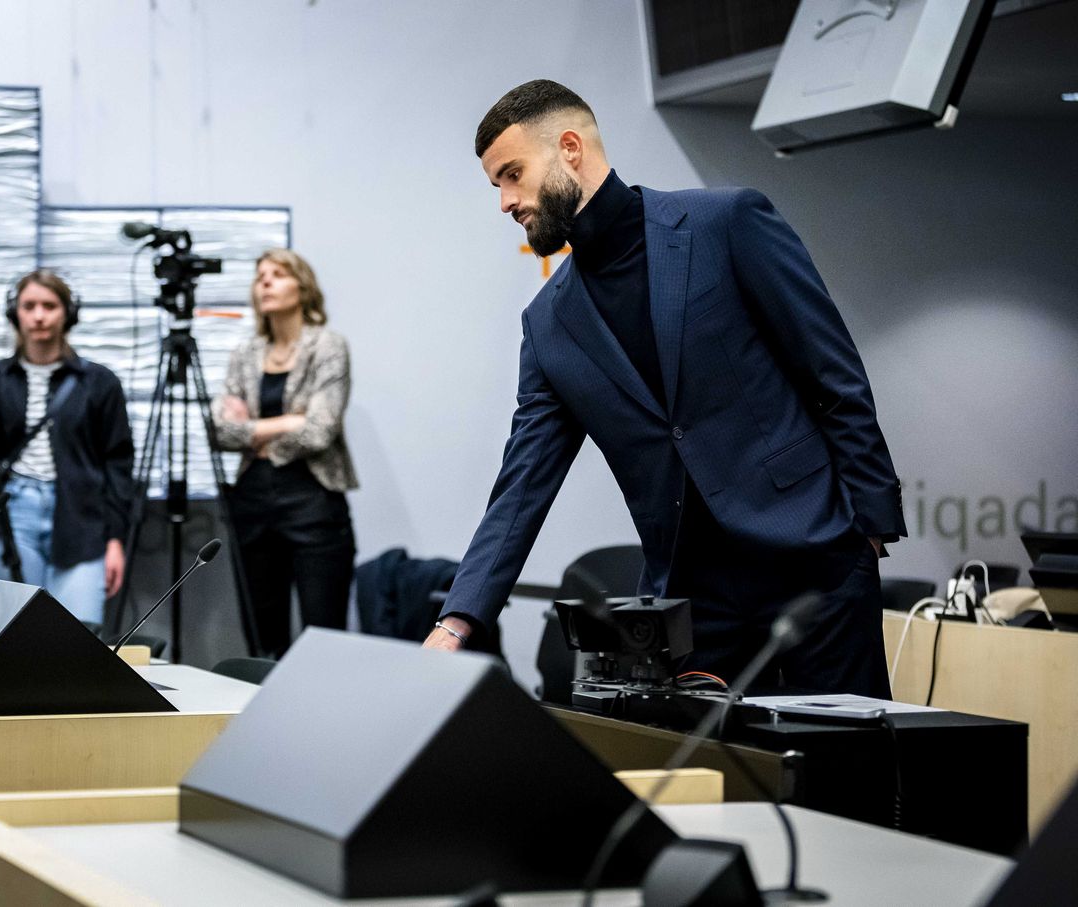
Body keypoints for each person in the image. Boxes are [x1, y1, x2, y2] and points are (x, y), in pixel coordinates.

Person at [425, 80, 906, 697]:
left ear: (570, 147)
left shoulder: (726, 222)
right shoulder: (547, 324)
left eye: (512, 175)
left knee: (849, 776)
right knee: (717, 786)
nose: (505, 202)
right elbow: (521, 486)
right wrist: (458, 621)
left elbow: (831, 371)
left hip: (815, 563)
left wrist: (868, 526)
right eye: (497, 185)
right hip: (692, 600)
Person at [0, 269, 134, 626]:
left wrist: (116, 540)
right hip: (14, 510)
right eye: (29, 305)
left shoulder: (99, 382)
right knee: (15, 629)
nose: (38, 315)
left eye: (49, 305)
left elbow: (118, 465)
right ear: (14, 312)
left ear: (68, 313)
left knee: (79, 632)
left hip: (82, 514)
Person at [212, 250, 357, 658]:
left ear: (303, 287)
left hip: (313, 499)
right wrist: (289, 420)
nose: (266, 282)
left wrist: (253, 431)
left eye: (278, 274)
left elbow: (320, 431)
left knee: (324, 638)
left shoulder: (328, 346)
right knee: (262, 638)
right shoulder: (244, 354)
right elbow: (220, 430)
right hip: (252, 500)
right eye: (260, 276)